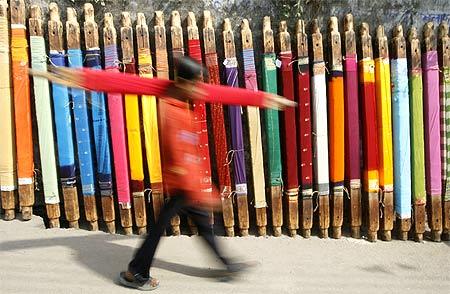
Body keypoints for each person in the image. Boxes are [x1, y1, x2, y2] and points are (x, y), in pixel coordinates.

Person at [118, 57, 253, 291]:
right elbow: (179, 159)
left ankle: (226, 264)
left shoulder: (181, 103)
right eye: (195, 84)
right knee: (161, 228)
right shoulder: (172, 112)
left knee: (200, 225)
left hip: (188, 184)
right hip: (183, 185)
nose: (199, 89)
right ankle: (136, 272)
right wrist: (204, 192)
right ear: (181, 82)